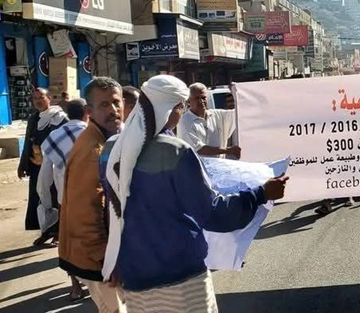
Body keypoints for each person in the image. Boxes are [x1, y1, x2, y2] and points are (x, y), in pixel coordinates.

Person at [100, 75, 288, 312]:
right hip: (182, 279)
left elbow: (111, 208)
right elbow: (214, 213)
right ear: (173, 107)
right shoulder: (175, 151)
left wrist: (114, 258)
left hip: (135, 277)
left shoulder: (111, 148)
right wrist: (261, 193)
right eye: (181, 106)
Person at [58, 77, 125, 313]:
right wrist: (106, 260)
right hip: (96, 258)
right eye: (104, 105)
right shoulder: (93, 149)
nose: (113, 110)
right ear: (89, 111)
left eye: (116, 103)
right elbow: (85, 212)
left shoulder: (107, 139)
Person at [36, 98, 88, 301]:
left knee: (70, 245)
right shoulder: (94, 134)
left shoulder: (54, 137)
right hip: (94, 197)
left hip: (65, 200)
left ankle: (76, 286)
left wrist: (47, 205)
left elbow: (44, 176)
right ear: (87, 112)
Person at [19, 88, 69, 231]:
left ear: (49, 98)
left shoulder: (59, 118)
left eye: (41, 97)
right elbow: (28, 142)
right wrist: (23, 165)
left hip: (54, 166)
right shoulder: (33, 119)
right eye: (35, 98)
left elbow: (65, 141)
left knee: (55, 197)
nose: (38, 101)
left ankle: (58, 230)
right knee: (38, 197)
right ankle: (44, 229)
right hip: (36, 166)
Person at [177, 83, 240, 159]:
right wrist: (228, 150)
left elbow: (240, 113)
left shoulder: (217, 115)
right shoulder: (185, 121)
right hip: (198, 166)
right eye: (197, 98)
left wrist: (237, 92)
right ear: (189, 101)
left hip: (219, 164)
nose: (201, 101)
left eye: (203, 97)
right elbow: (199, 149)